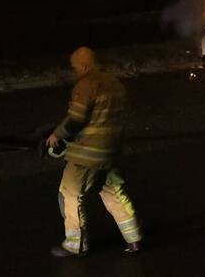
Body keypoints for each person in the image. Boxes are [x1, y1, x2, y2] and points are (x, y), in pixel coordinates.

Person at [46, 46, 142, 257]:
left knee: (70, 194)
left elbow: (76, 119)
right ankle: (134, 239)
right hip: (111, 151)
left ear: (84, 65)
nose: (74, 72)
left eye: (75, 67)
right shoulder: (115, 83)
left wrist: (57, 135)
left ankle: (75, 244)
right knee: (114, 193)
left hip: (88, 155)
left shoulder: (87, 85)